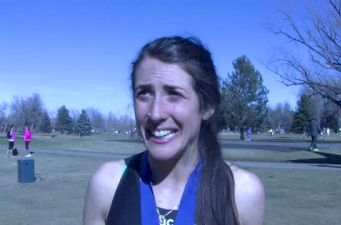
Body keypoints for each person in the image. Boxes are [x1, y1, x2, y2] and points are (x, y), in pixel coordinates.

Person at [83, 36, 265, 225]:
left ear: (207, 106)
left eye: (174, 94)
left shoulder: (240, 193)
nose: (155, 113)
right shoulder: (107, 186)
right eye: (144, 93)